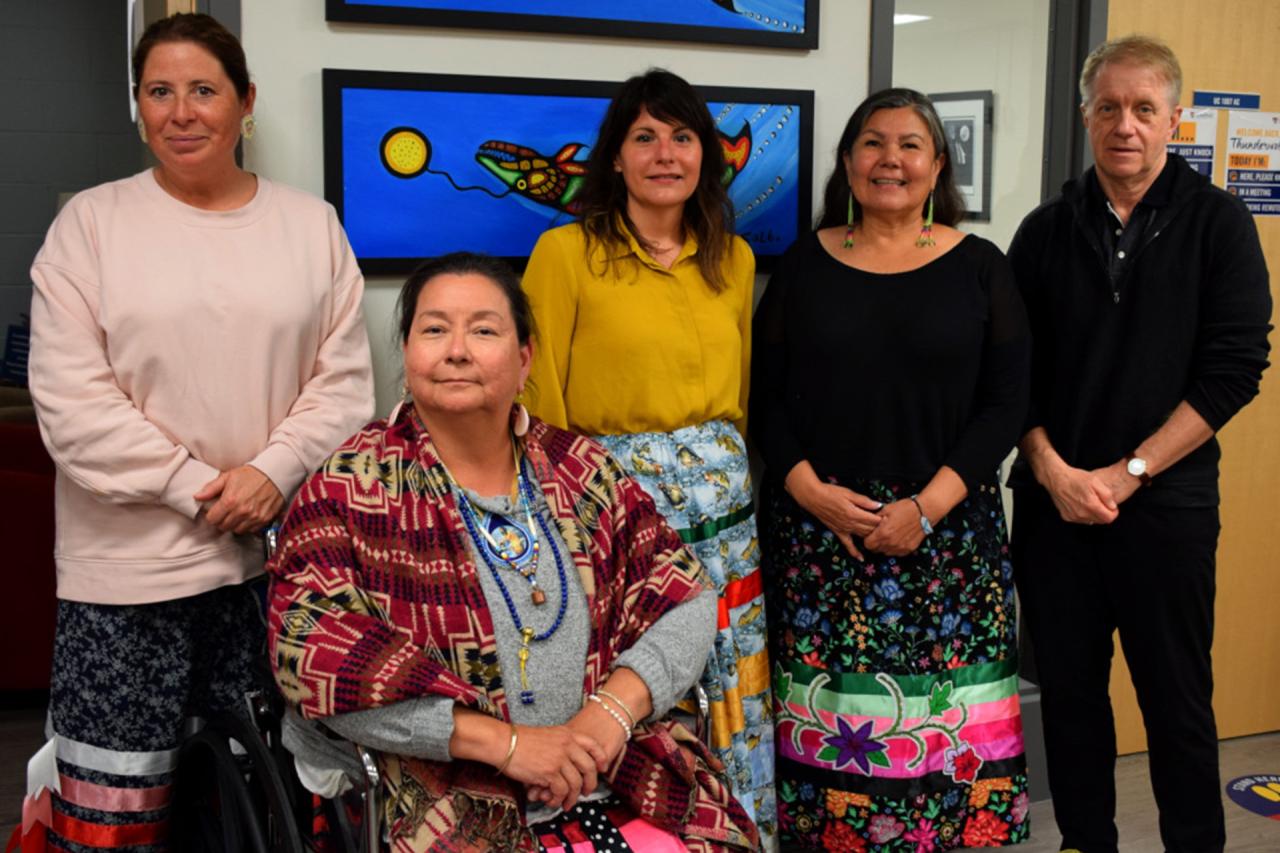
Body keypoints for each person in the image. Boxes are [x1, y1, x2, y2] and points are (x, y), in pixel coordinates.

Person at [267, 252, 759, 851]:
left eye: (483, 330)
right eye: (434, 329)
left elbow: (684, 598)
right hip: (449, 792)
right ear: (406, 351)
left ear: (524, 359)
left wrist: (610, 713)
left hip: (613, 771)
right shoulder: (350, 488)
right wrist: (510, 746)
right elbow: (312, 655)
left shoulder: (582, 470)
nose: (456, 350)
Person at [24, 12, 374, 847]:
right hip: (125, 578)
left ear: (246, 102)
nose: (181, 112)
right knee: (113, 811)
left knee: (262, 802)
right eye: (160, 92)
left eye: (204, 90)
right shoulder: (91, 226)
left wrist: (272, 474)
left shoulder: (309, 225)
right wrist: (199, 486)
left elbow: (346, 384)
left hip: (273, 569)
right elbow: (73, 403)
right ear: (139, 106)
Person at [1007, 35, 1271, 853]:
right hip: (1055, 509)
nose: (1125, 124)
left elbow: (1235, 369)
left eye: (1143, 108)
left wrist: (1129, 473)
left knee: (1177, 699)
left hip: (1166, 509)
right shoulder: (1045, 230)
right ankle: (1087, 840)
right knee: (1074, 699)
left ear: (1173, 120)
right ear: (1087, 117)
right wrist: (1050, 471)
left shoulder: (1219, 225)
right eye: (1109, 107)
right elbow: (1010, 371)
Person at [751, 88, 1032, 849]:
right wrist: (815, 495)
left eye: (911, 144)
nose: (891, 160)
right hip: (821, 535)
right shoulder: (806, 263)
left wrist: (926, 508)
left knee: (943, 732)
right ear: (847, 163)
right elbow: (766, 400)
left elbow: (1006, 406)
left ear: (938, 165)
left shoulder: (982, 268)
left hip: (946, 534)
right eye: (873, 144)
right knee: (836, 728)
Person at [520, 68, 776, 842]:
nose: (665, 153)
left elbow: (737, 397)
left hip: (727, 523)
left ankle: (735, 827)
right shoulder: (565, 252)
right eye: (645, 137)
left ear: (706, 154)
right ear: (617, 157)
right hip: (617, 521)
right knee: (639, 682)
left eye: (682, 136)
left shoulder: (730, 260)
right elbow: (536, 404)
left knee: (732, 678)